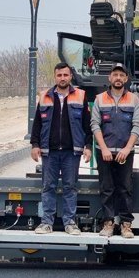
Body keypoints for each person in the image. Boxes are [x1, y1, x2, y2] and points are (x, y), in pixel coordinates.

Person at [30, 62, 91, 235]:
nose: (62, 78)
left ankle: (70, 223)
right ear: (55, 76)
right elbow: (38, 124)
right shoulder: (44, 96)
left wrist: (87, 146)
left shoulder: (80, 95)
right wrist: (35, 145)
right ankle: (46, 222)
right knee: (48, 186)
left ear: (71, 76)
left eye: (65, 75)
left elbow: (86, 124)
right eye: (59, 75)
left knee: (70, 187)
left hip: (72, 151)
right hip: (49, 151)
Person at [91, 64, 139, 238]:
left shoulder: (134, 99)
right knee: (107, 188)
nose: (118, 78)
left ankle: (126, 225)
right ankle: (108, 224)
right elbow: (95, 125)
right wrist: (104, 148)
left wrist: (127, 149)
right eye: (115, 75)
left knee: (125, 188)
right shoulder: (99, 99)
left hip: (125, 153)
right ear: (110, 78)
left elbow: (137, 125)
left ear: (126, 79)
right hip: (104, 152)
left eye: (121, 75)